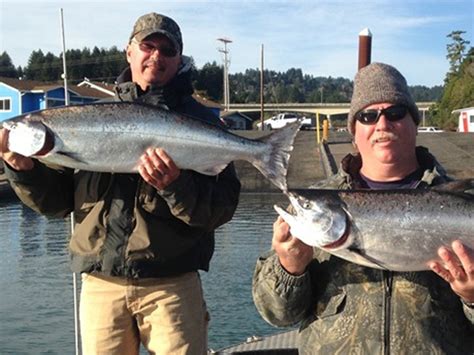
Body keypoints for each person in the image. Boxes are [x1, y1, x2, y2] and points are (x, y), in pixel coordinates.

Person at [0, 13, 241, 354]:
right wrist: (22, 169)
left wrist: (175, 186)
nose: (155, 55)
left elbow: (220, 210)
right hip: (100, 282)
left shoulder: (203, 124)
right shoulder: (84, 121)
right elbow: (57, 204)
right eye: (147, 46)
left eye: (167, 50)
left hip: (172, 286)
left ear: (178, 60)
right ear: (129, 52)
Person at [252, 62, 474, 354]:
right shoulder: (318, 203)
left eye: (395, 113)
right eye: (368, 116)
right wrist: (289, 267)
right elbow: (277, 315)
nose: (383, 124)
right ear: (354, 131)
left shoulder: (464, 198)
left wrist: (471, 298)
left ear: (414, 123)